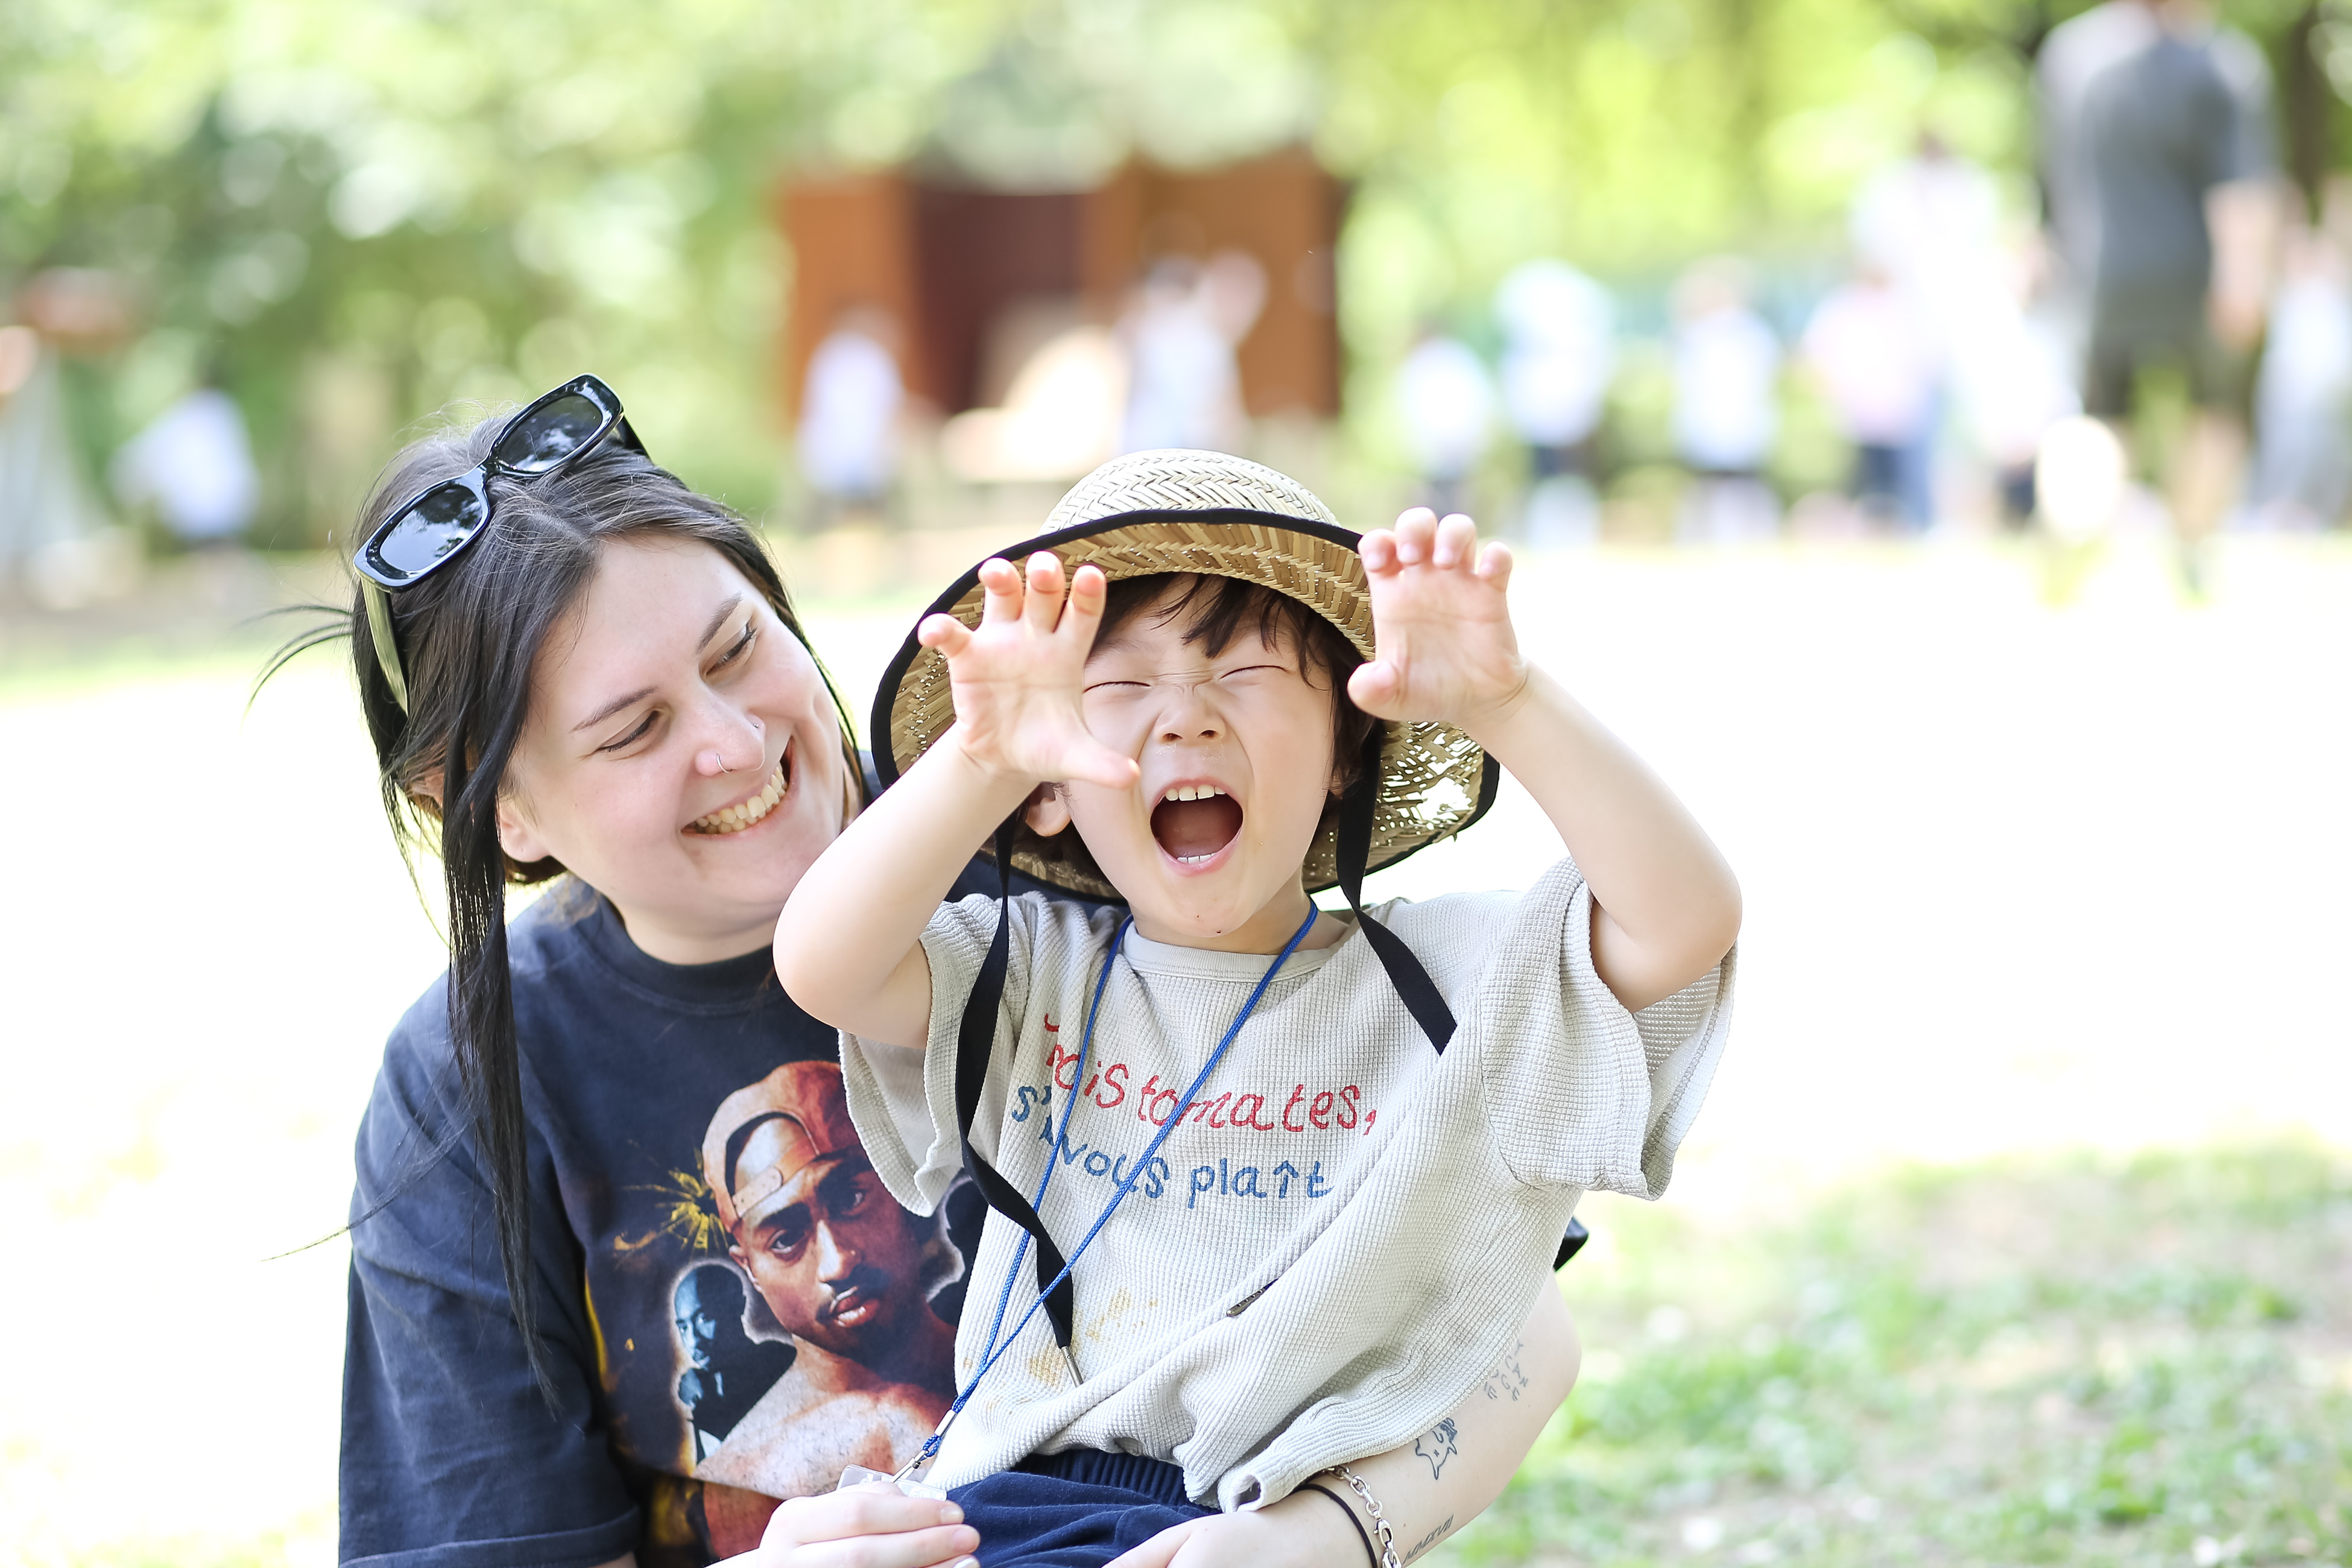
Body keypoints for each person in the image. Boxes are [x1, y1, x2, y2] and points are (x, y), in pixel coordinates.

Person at [317, 380, 1582, 1568]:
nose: (735, 741)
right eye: (635, 729)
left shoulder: (1086, 848)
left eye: (736, 648)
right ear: (494, 809)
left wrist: (1329, 1533)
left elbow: (1516, 1326)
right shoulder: (472, 1080)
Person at [776, 448, 1740, 1564]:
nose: (1185, 718)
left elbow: (1684, 921)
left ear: (1344, 750)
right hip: (1002, 1513)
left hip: (1273, 1523)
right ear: (1049, 787)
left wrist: (1509, 704)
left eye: (1244, 670)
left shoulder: (1443, 983)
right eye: (1120, 686)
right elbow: (824, 963)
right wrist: (984, 758)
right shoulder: (1028, 973)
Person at [2037, 0, 2283, 583]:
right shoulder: (2222, 62)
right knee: (2214, 409)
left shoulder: (2071, 54)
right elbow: (2240, 187)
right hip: (2194, 274)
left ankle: (2073, 535)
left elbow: (2050, 174)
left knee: (2099, 409)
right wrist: (2244, 279)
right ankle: (2192, 549)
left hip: (2098, 271)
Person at [694, 1061, 959, 1500]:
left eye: (852, 1198)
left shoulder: (1032, 1355)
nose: (838, 1264)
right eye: (785, 1240)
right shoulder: (742, 1481)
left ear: (900, 1189)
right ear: (750, 1269)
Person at [1798, 262, 1940, 528]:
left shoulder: (1907, 306)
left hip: (1903, 411)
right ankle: (1869, 528)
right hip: (1858, 413)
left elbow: (1929, 358)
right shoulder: (1843, 307)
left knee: (1906, 482)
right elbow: (1818, 353)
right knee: (1866, 482)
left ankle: (1911, 527)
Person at [1494, 259, 1615, 546]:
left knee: (1569, 480)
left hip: (1569, 423)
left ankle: (1571, 535)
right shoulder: (1535, 352)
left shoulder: (1574, 345)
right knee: (1550, 479)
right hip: (1546, 424)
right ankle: (1550, 536)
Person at [1669, 258, 1782, 543]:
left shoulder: (1740, 333)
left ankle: (1741, 536)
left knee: (1737, 486)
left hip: (1735, 422)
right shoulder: (1706, 334)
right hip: (1717, 422)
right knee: (1718, 486)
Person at [111, 380, 259, 546]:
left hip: (201, 511)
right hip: (231, 505)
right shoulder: (224, 411)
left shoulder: (181, 419)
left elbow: (150, 457)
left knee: (211, 546)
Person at [796, 305, 905, 525]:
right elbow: (890, 411)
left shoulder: (828, 354)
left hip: (825, 458)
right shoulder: (875, 359)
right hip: (864, 459)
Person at [674, 1266, 796, 1460]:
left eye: (704, 1319)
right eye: (684, 1328)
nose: (694, 1340)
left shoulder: (778, 1360)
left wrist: (704, 1405)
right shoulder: (707, 1383)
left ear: (737, 1305)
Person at [1393, 324, 1496, 517]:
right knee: (1452, 494)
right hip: (1456, 441)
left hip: (1445, 441)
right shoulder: (1459, 358)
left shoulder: (1424, 362)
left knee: (1443, 494)